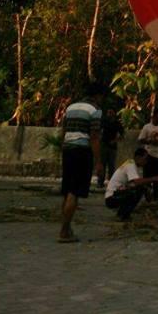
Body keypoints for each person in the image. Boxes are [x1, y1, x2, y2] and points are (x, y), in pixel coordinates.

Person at [59, 82, 103, 243]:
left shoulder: (70, 108)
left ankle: (66, 227)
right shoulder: (95, 111)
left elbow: (63, 131)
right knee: (74, 192)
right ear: (97, 96)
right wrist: (98, 162)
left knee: (67, 190)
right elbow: (94, 137)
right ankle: (64, 231)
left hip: (68, 149)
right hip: (82, 151)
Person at [105, 147, 158, 221]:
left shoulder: (133, 166)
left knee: (141, 188)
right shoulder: (130, 165)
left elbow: (132, 184)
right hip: (112, 198)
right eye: (145, 159)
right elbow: (136, 182)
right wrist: (155, 178)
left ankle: (123, 213)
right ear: (138, 157)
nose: (146, 162)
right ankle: (123, 214)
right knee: (138, 190)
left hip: (115, 195)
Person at [138, 109, 158, 201]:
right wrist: (149, 141)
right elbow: (140, 139)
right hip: (148, 155)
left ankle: (157, 197)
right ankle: (147, 197)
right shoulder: (147, 127)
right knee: (147, 178)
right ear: (154, 116)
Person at [98, 108, 124, 187]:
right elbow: (99, 131)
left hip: (112, 147)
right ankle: (100, 182)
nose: (109, 114)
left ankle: (111, 183)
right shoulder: (104, 122)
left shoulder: (117, 123)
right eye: (108, 112)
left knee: (111, 166)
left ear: (114, 113)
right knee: (102, 164)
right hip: (104, 145)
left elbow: (122, 134)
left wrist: (115, 140)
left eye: (111, 112)